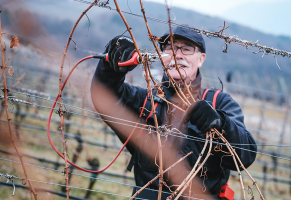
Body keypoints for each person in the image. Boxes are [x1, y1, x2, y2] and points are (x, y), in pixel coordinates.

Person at [91, 26, 257, 200]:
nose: (177, 55)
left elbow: (245, 156)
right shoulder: (144, 101)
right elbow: (105, 97)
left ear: (201, 59)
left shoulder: (219, 103)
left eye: (187, 48)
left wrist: (221, 124)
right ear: (162, 57)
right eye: (170, 48)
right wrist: (109, 66)